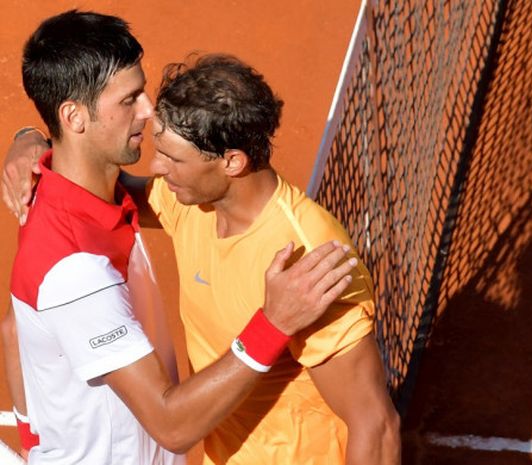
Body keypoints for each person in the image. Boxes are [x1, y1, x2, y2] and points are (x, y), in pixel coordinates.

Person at [4, 12, 400, 465]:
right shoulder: (182, 204)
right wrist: (32, 137)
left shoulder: (306, 263)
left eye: (173, 158)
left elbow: (378, 426)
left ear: (230, 163)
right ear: (73, 116)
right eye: (131, 99)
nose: (155, 169)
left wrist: (34, 138)